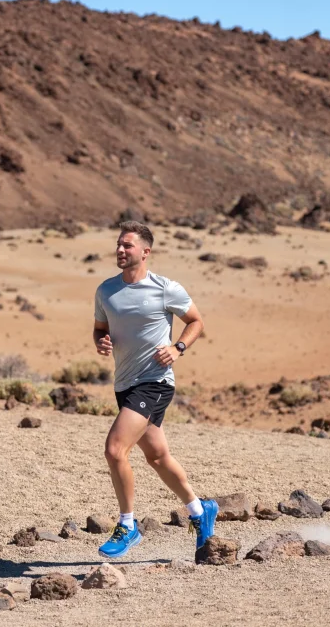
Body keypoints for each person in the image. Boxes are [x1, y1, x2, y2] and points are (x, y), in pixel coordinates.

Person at [93, 221, 216, 559]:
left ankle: (127, 525)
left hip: (155, 381)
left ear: (145, 252)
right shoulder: (106, 290)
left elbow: (196, 321)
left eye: (127, 245)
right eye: (119, 244)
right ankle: (200, 510)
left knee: (115, 450)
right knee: (158, 457)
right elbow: (100, 328)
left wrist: (178, 348)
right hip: (124, 383)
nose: (120, 250)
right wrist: (101, 341)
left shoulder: (165, 288)